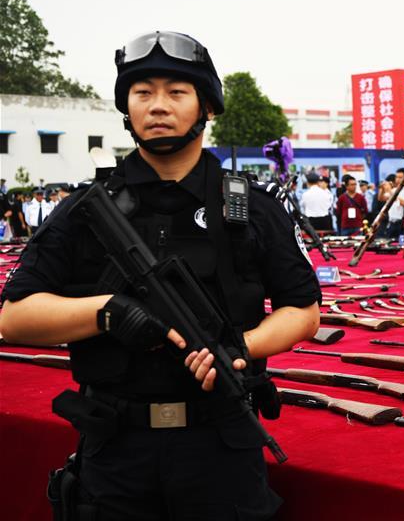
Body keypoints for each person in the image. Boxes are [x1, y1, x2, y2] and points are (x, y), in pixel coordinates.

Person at [0, 30, 321, 519]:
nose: (157, 106)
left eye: (177, 92)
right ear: (127, 108)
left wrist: (240, 350)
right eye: (143, 92)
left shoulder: (248, 207)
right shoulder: (87, 209)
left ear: (207, 107)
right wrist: (108, 314)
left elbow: (303, 310)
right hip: (116, 451)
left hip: (220, 448)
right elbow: (14, 317)